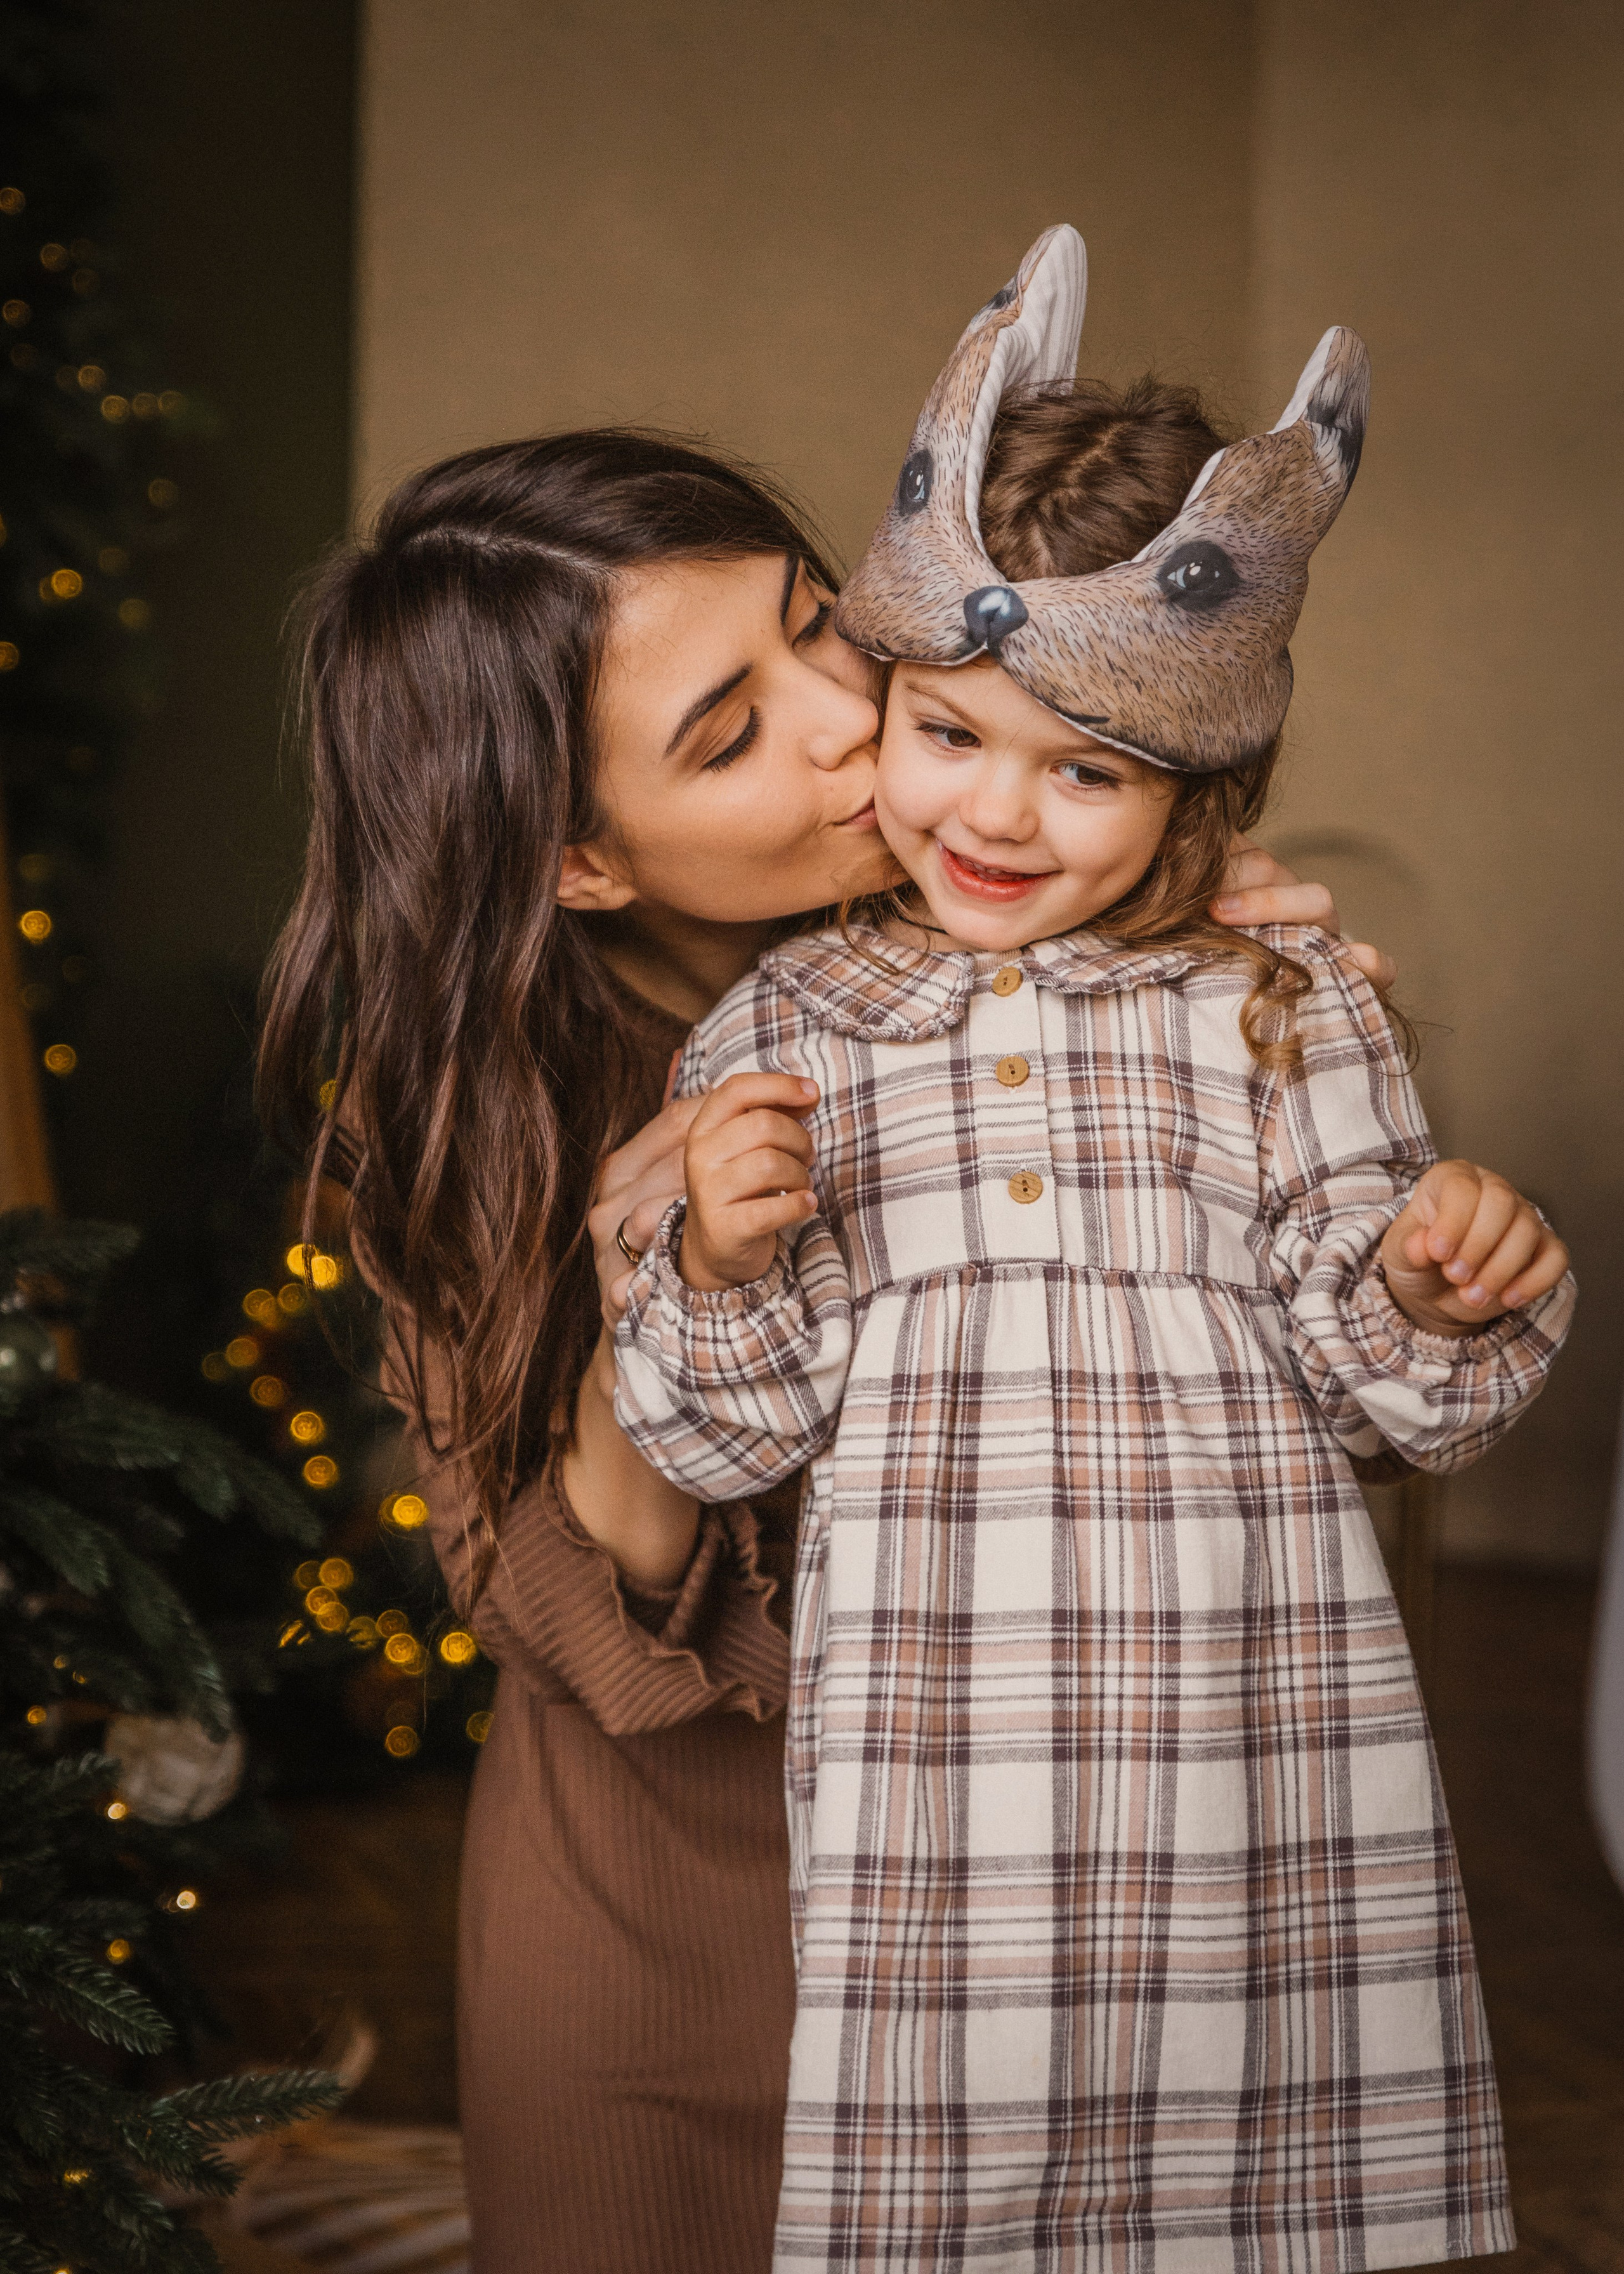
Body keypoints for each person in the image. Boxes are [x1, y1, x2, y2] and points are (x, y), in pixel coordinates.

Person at [258, 419, 1399, 2274]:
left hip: (1068, 1916)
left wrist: (1263, 1067)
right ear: (579, 863)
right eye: (729, 733)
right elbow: (559, 1615)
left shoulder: (1055, 937)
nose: (849, 721)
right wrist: (665, 1288)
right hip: (683, 1959)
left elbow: (1306, 1422)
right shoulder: (489, 1129)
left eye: (820, 626)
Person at [613, 230, 1574, 2271]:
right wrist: (720, 1255)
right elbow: (715, 1445)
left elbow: (1383, 1366)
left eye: (1092, 770)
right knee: (971, 2182)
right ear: (893, 693)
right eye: (949, 733)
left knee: (1263, 2173)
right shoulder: (788, 1030)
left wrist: (1427, 1276)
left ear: (1202, 784)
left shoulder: (1288, 1008)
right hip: (946, 1765)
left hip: (1258, 1733)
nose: (1000, 815)